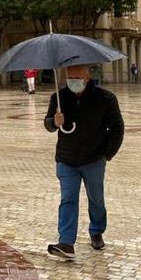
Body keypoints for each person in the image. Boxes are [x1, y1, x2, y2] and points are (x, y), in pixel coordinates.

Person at [44, 65, 124, 261]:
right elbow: (47, 124)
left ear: (88, 77)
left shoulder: (105, 99)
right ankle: (66, 242)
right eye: (69, 77)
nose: (73, 81)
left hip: (94, 159)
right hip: (66, 159)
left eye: (77, 77)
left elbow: (117, 127)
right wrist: (54, 122)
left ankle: (96, 230)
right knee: (68, 199)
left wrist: (107, 154)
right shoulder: (59, 98)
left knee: (96, 198)